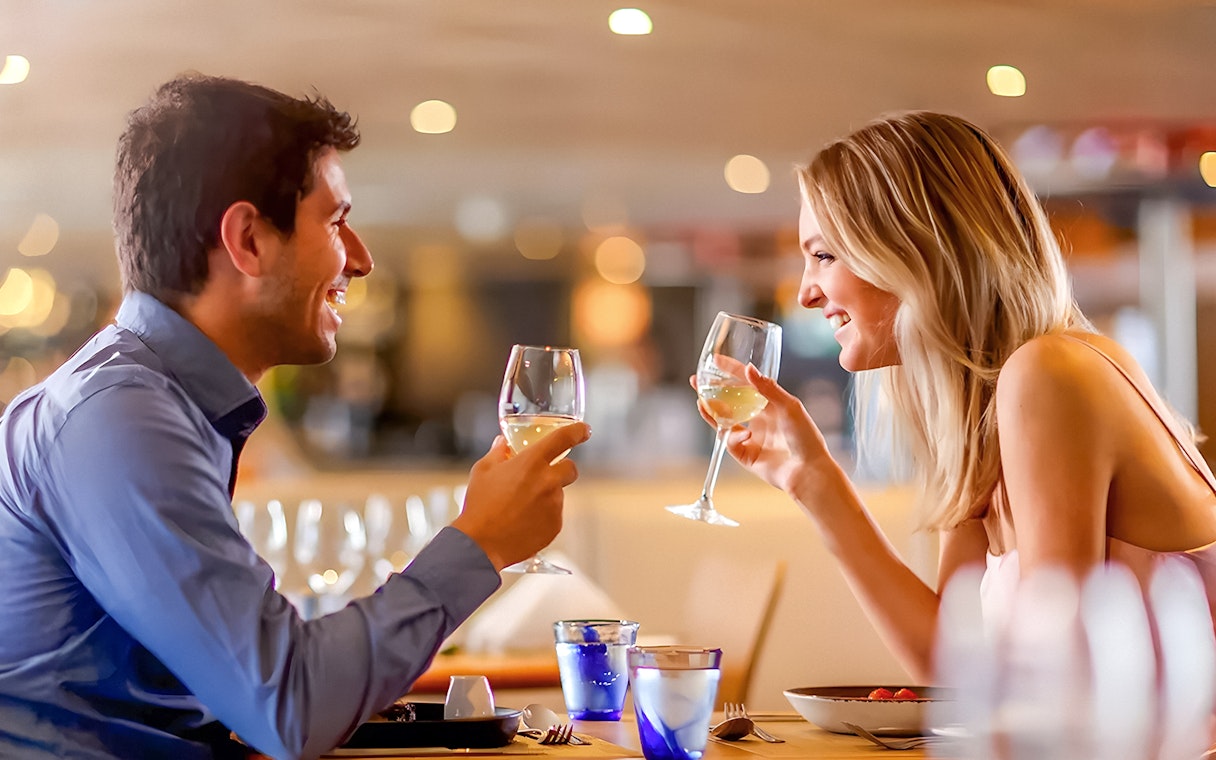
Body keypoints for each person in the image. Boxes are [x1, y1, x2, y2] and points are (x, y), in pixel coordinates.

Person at [0, 74, 590, 759]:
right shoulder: (119, 419)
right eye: (336, 221)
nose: (361, 259)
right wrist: (479, 542)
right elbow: (288, 703)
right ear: (248, 239)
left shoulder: (149, 403)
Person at [712, 110, 1216, 681]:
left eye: (825, 255)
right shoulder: (989, 414)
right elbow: (954, 664)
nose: (804, 291)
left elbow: (1052, 686)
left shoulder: (1049, 372)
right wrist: (813, 481)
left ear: (915, 249)